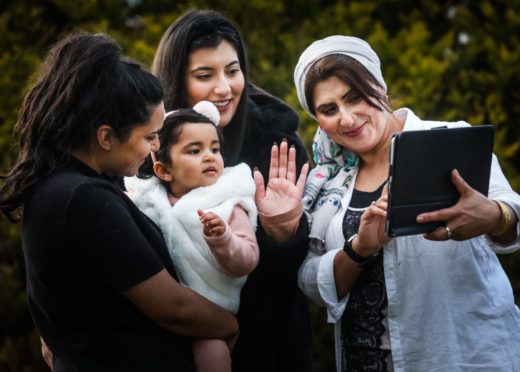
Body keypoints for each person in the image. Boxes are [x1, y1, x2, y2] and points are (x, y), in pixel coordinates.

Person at [293, 35, 520, 371]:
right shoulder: (326, 183)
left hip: (463, 357)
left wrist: (495, 216)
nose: (347, 118)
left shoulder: (448, 139)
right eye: (329, 109)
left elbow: (515, 216)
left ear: (380, 88)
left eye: (354, 97)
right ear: (318, 120)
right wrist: (360, 249)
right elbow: (310, 278)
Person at [0, 32, 239, 371]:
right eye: (149, 136)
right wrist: (229, 324)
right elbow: (172, 307)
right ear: (106, 137)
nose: (155, 146)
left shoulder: (65, 183)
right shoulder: (83, 198)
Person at [152, 10, 313, 371]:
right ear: (176, 79)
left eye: (233, 70)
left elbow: (300, 264)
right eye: (204, 75)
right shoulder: (145, 142)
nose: (224, 88)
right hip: (166, 341)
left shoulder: (275, 143)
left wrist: (283, 233)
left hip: (266, 341)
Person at [125, 102, 259, 372]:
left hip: (209, 314)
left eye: (215, 149)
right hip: (156, 312)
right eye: (195, 151)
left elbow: (248, 260)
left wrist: (224, 239)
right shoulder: (149, 200)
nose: (209, 156)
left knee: (213, 356)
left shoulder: (228, 202)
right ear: (164, 170)